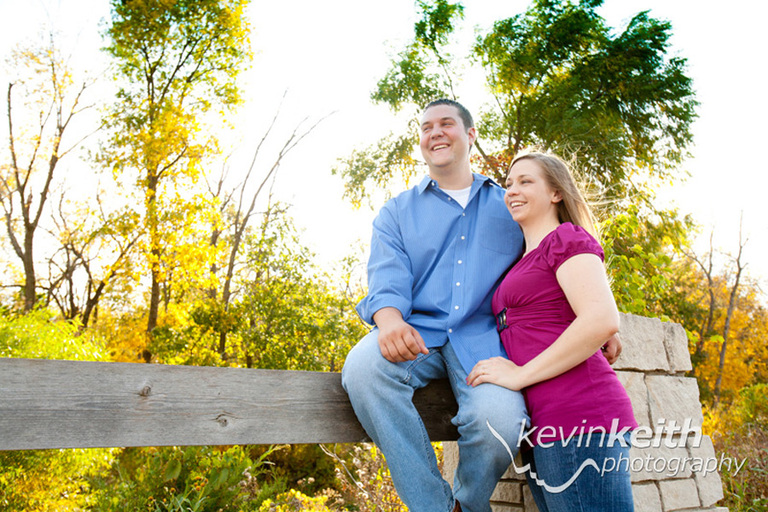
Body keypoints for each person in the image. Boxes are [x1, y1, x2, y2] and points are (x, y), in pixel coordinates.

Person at [342, 100, 621, 512]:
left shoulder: (510, 204)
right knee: (363, 369)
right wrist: (389, 321)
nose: (435, 132)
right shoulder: (396, 212)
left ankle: (467, 503)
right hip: (416, 332)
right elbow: (385, 278)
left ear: (470, 135)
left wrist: (602, 322)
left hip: (484, 340)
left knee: (501, 422)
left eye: (446, 123)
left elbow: (552, 262)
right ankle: (437, 507)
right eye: (426, 127)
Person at [467, 152, 637, 511]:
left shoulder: (564, 238)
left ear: (556, 193)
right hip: (545, 427)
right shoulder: (521, 260)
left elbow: (601, 318)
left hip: (579, 417)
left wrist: (520, 375)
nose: (512, 190)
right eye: (509, 183)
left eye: (525, 181)